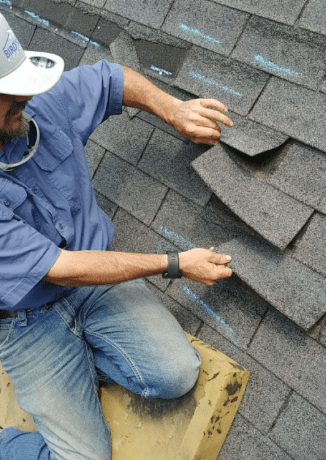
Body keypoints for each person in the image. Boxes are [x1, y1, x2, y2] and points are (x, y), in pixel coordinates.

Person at [0, 12, 233, 460]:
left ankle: (85, 363)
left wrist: (174, 109)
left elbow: (109, 79)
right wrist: (175, 263)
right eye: (11, 105)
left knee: (177, 374)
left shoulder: (34, 104)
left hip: (97, 283)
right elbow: (63, 270)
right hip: (26, 322)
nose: (25, 104)